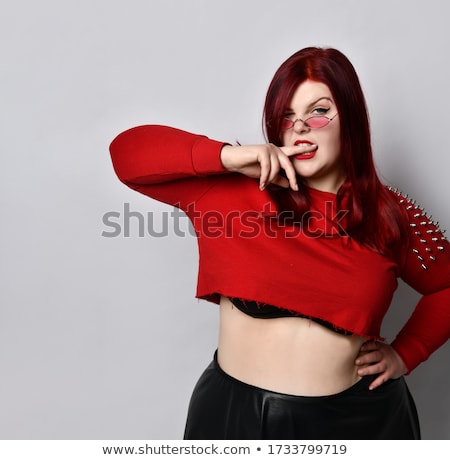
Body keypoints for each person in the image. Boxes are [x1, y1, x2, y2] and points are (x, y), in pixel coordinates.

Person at [109, 47, 450, 440]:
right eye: (287, 116)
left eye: (319, 111)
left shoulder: (392, 214)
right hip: (231, 417)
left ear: (351, 120)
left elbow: (445, 285)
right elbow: (125, 153)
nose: (300, 127)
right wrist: (228, 157)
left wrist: (408, 352)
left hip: (358, 421)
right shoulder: (230, 189)